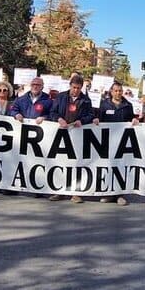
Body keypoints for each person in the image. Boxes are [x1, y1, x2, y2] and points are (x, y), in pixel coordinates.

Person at [48, 75, 95, 203]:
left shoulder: (85, 100)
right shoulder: (61, 97)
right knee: (61, 162)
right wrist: (59, 119)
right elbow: (52, 112)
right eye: (74, 87)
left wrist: (82, 120)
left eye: (78, 88)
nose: (76, 90)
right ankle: (60, 191)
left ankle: (76, 192)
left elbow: (90, 114)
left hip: (77, 134)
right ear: (70, 86)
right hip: (62, 133)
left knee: (76, 163)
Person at [94, 81, 138, 206]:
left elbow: (131, 120)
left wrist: (135, 120)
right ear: (111, 91)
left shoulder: (128, 105)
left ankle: (119, 194)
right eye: (116, 90)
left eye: (120, 91)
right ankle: (108, 193)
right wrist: (96, 121)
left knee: (120, 167)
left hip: (122, 142)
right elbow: (99, 119)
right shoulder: (104, 105)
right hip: (107, 141)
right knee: (107, 166)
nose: (118, 93)